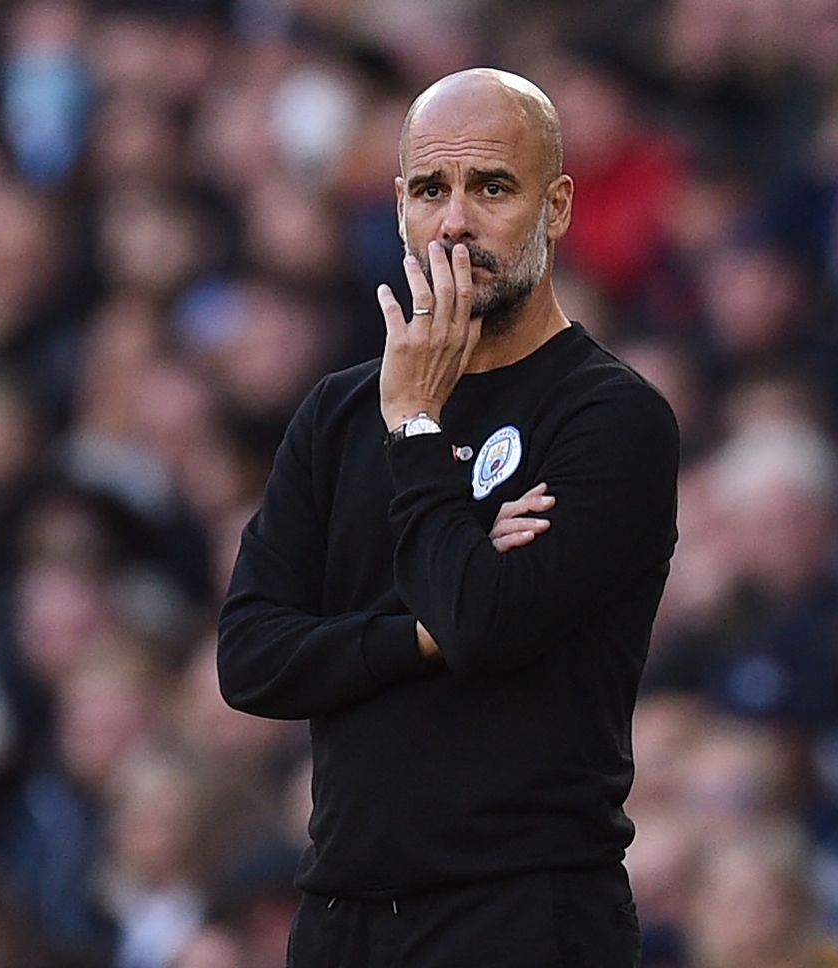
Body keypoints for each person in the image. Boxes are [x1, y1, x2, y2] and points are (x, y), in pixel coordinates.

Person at [216, 68, 680, 967]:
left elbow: (484, 625)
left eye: (492, 188)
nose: (455, 221)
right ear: (399, 208)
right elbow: (252, 657)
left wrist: (418, 427)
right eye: (431, 190)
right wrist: (420, 633)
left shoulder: (612, 416)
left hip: (521, 912)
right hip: (342, 913)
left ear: (556, 206)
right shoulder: (337, 413)